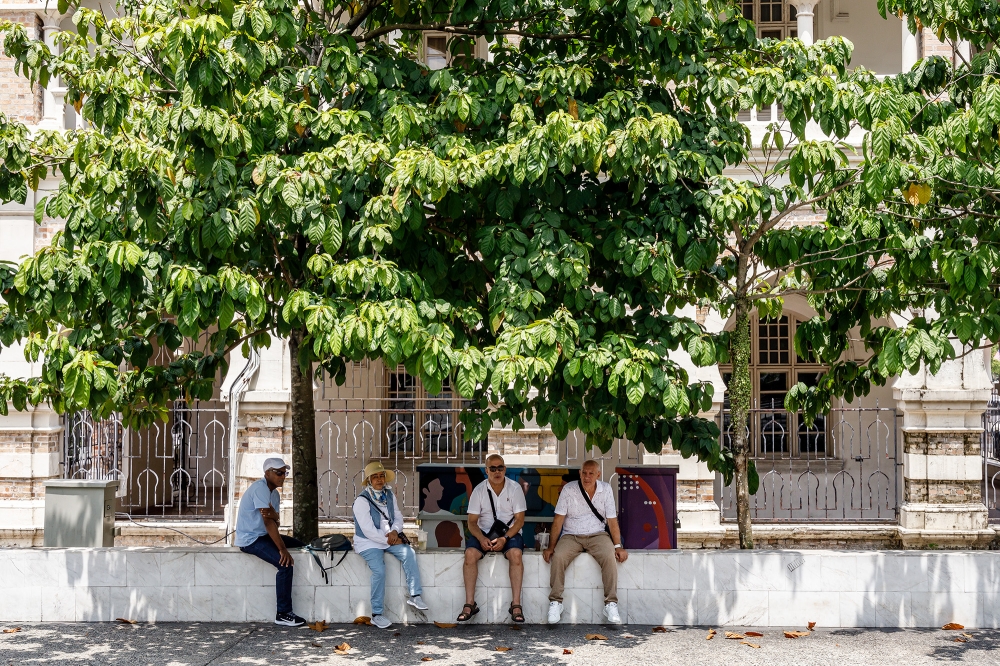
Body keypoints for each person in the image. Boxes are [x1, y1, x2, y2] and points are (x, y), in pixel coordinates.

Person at [543, 459, 628, 624]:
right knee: (559, 557)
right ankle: (555, 602)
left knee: (609, 557)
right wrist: (551, 547)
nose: (587, 477)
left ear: (598, 474)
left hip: (598, 534)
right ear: (579, 473)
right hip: (571, 535)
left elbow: (612, 520)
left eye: (591, 473)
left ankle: (611, 603)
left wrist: (618, 546)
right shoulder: (569, 489)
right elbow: (558, 520)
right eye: (584, 473)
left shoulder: (606, 489)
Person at [353, 461, 429, 629]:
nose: (379, 480)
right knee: (379, 570)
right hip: (368, 542)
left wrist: (395, 531)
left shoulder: (389, 495)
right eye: (375, 477)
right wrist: (389, 539)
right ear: (368, 481)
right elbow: (368, 530)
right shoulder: (362, 501)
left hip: (389, 538)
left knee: (409, 553)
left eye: (381, 476)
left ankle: (415, 595)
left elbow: (398, 517)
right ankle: (377, 614)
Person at [236, 457, 307, 627]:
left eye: (284, 473)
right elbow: (269, 521)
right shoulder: (260, 489)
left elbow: (274, 521)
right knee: (284, 564)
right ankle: (283, 613)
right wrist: (282, 549)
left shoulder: (274, 494)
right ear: (267, 473)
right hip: (250, 539)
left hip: (263, 536)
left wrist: (273, 518)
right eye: (278, 473)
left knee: (301, 546)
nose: (283, 476)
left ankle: (284, 612)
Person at [457, 454, 527, 623]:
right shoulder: (479, 490)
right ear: (486, 470)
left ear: (505, 469)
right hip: (483, 533)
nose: (497, 472)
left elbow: (520, 520)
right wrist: (481, 538)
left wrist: (505, 538)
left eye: (500, 468)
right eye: (493, 468)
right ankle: (469, 604)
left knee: (516, 555)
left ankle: (516, 605)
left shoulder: (515, 488)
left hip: (509, 533)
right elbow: (472, 522)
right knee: (470, 555)